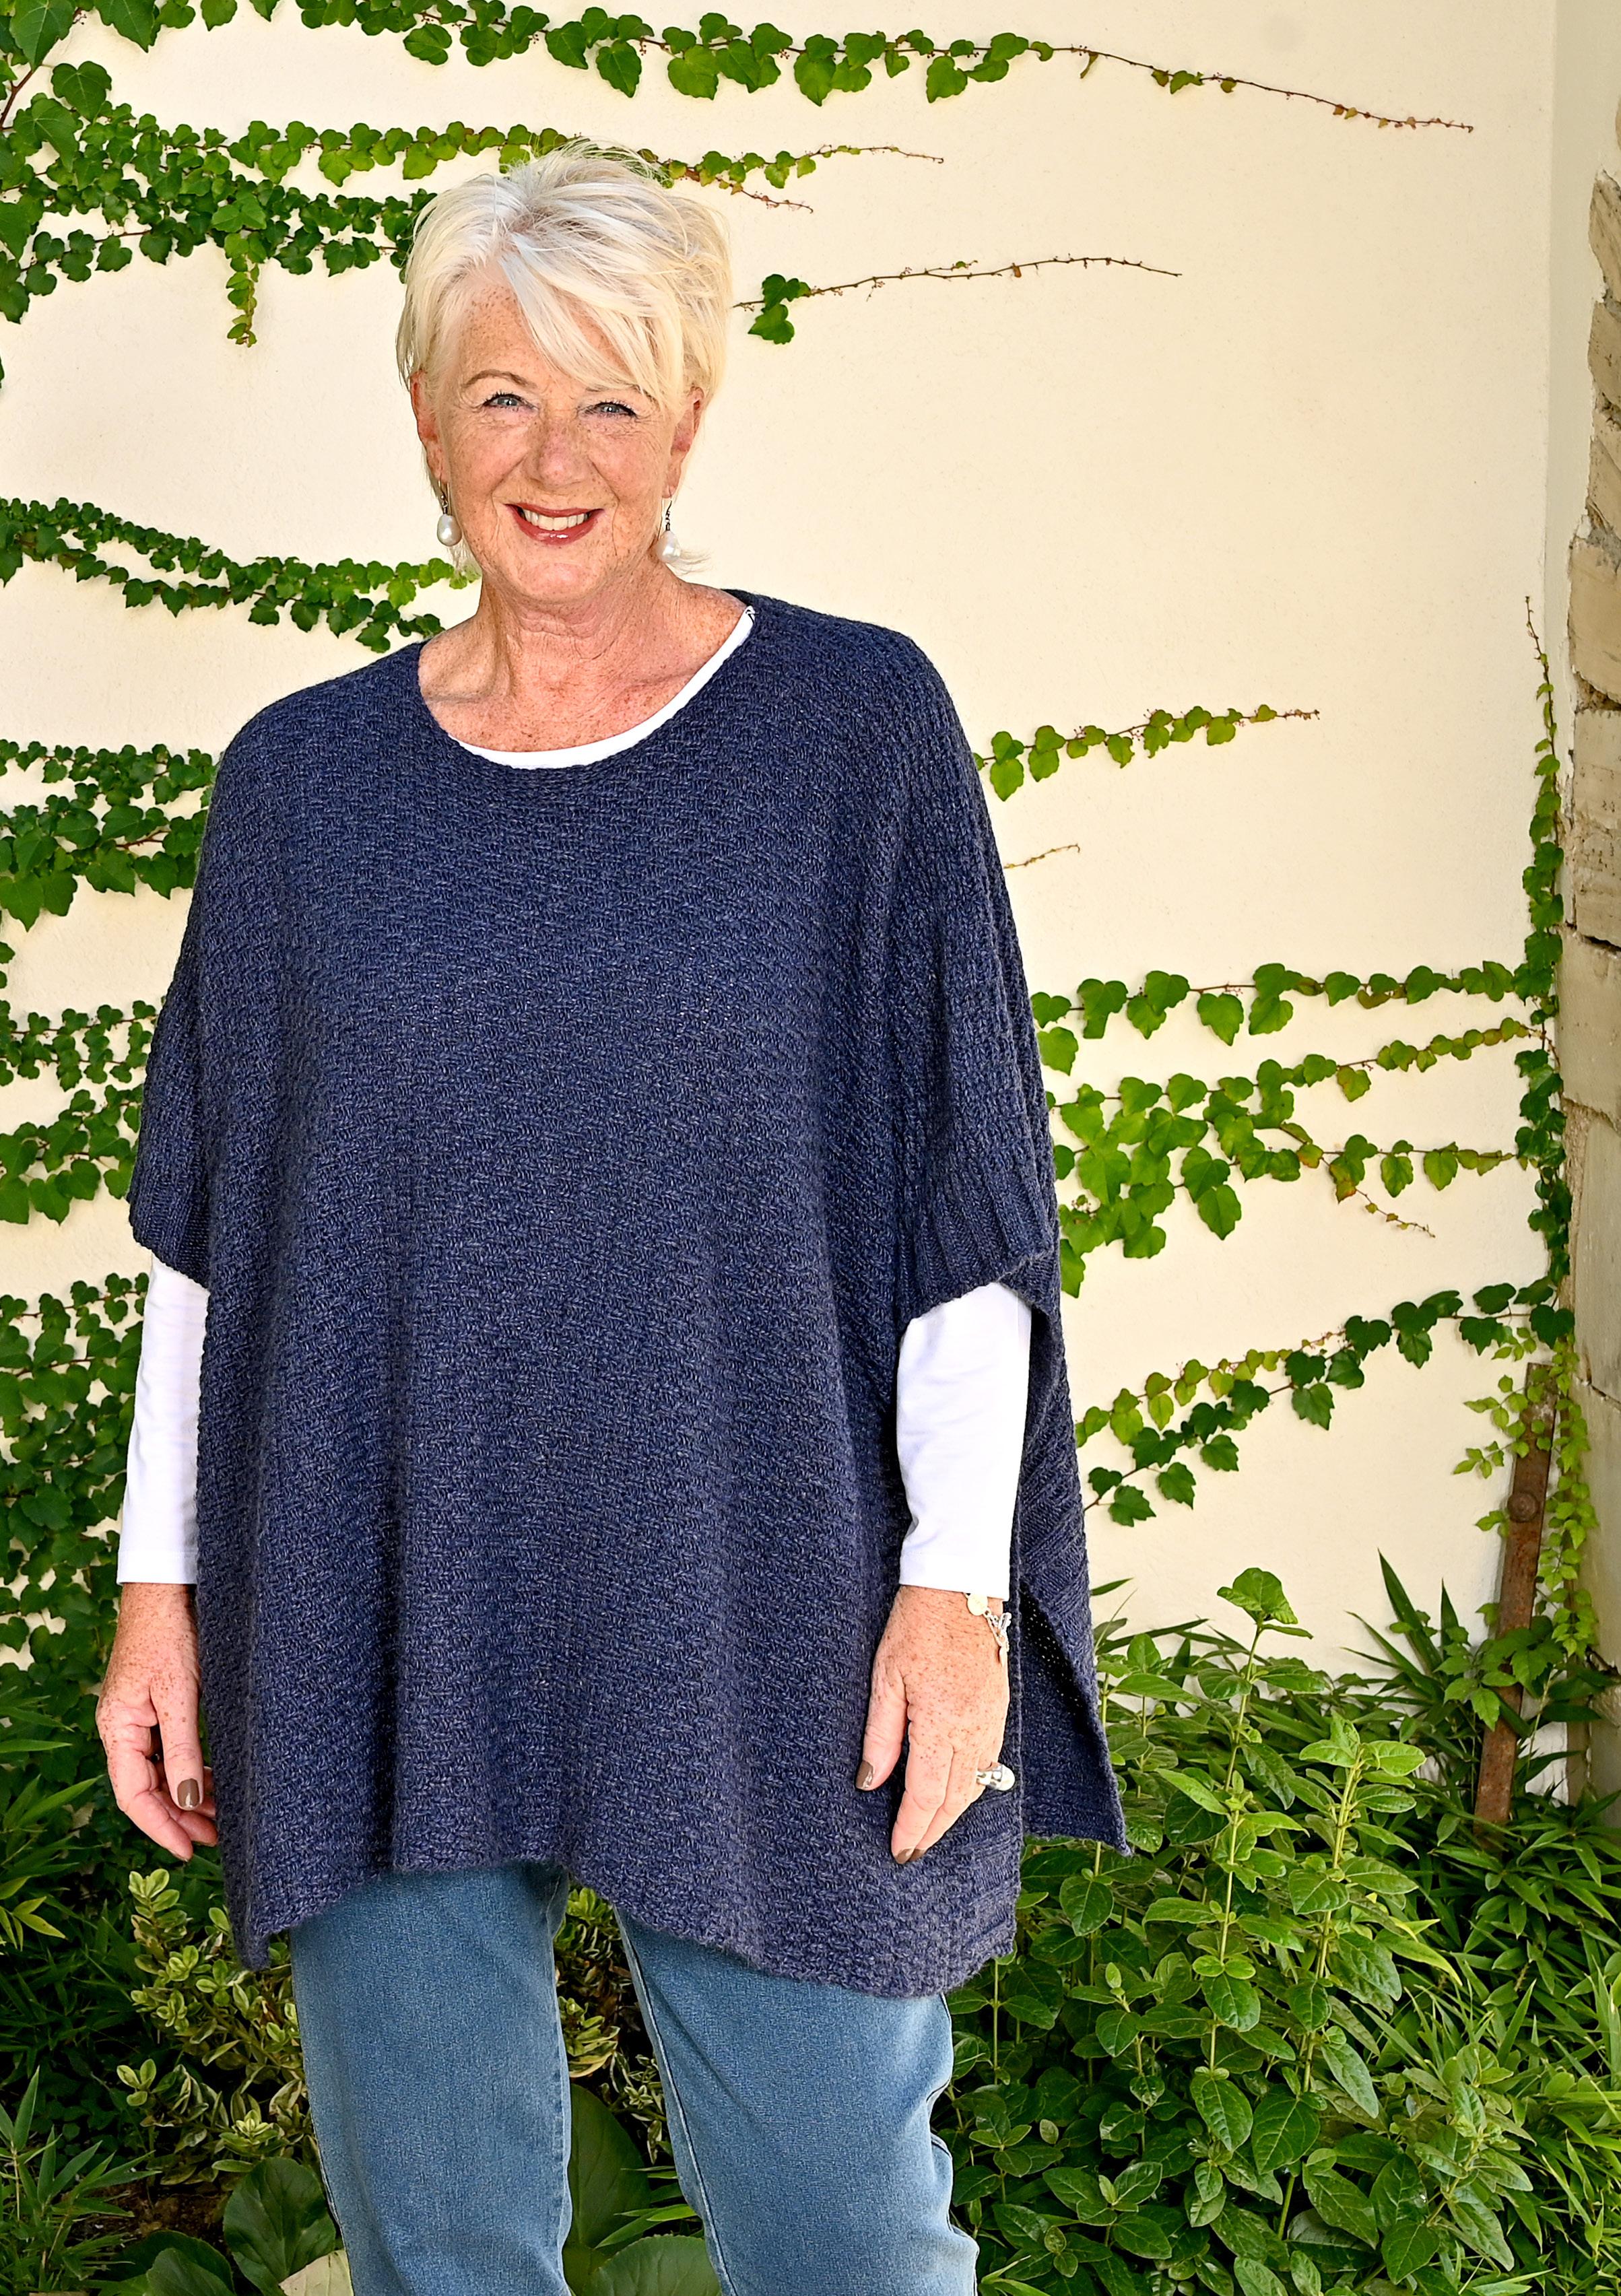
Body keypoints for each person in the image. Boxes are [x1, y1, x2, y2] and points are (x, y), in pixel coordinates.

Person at [96, 142, 1125, 2296]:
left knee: (849, 2240)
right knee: (436, 2248)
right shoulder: (302, 789)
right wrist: (157, 1591)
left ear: (690, 422)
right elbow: (211, 1235)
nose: (553, 461)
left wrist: (953, 1588)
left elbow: (966, 1201)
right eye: (502, 395)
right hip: (375, 1580)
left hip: (769, 1576)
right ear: (423, 419)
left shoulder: (854, 736)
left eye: (610, 401)